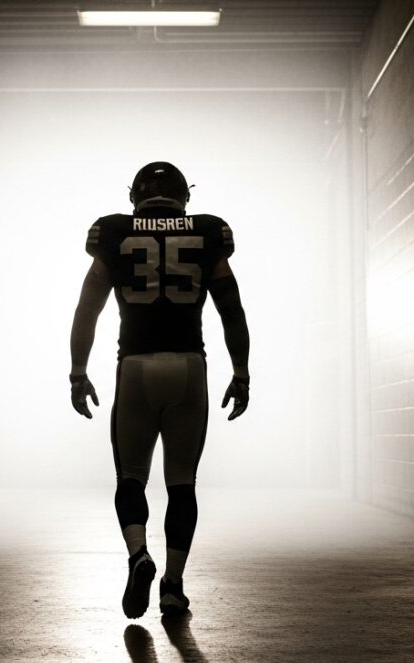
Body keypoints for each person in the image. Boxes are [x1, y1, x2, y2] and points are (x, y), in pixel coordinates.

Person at [69, 161, 251, 619]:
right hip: (188, 366)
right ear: (183, 196)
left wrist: (78, 371)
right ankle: (173, 585)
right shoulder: (207, 232)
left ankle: (138, 555)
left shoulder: (114, 232)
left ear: (136, 196)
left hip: (135, 365)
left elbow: (88, 309)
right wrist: (241, 372)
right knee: (182, 483)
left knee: (130, 478)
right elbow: (231, 309)